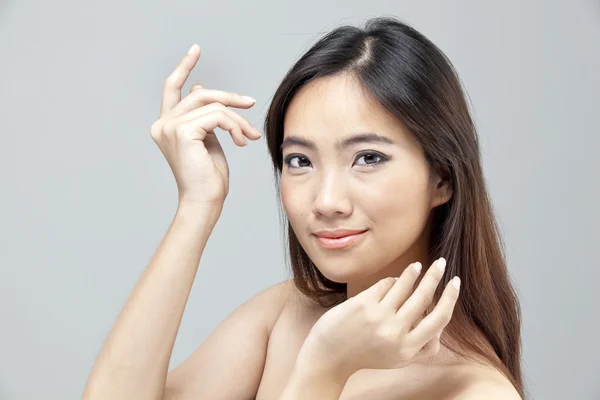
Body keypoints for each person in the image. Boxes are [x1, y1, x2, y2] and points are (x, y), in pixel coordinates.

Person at [82, 16, 525, 400]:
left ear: (442, 178)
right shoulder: (286, 317)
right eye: (300, 161)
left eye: (368, 157)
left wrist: (323, 370)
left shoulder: (474, 390)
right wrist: (197, 205)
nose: (327, 201)